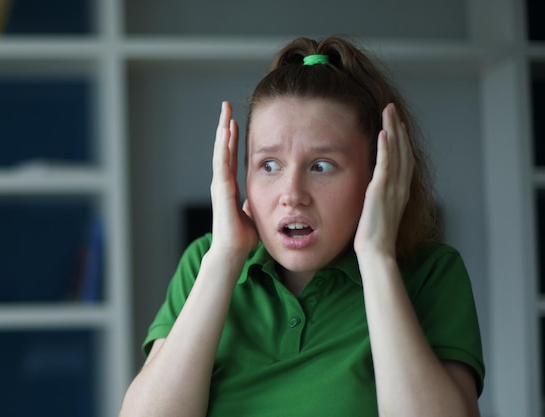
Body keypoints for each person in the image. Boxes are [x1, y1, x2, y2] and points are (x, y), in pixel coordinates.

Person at [120, 35, 485, 417]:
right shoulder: (204, 262)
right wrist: (225, 257)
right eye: (269, 165)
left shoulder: (432, 273)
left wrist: (377, 258)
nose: (292, 194)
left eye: (321, 166)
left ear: (380, 175)